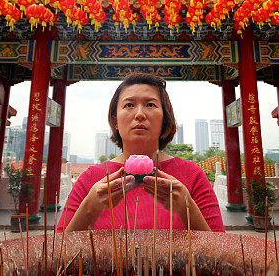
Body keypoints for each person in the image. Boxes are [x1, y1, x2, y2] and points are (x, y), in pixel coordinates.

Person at [58, 73, 224, 232]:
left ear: (164, 118)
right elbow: (56, 254)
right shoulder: (91, 179)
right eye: (129, 105)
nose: (139, 114)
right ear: (115, 121)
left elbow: (222, 251)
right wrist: (90, 208)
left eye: (150, 105)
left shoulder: (192, 175)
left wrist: (186, 208)